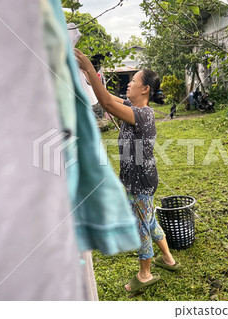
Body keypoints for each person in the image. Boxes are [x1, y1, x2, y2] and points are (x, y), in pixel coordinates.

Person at [74, 48, 181, 293]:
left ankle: (145, 274)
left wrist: (90, 67)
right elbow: (109, 97)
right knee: (149, 221)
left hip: (140, 183)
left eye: (133, 81)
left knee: (141, 226)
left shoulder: (142, 114)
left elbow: (106, 102)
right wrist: (90, 78)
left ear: (145, 89)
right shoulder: (134, 109)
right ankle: (168, 259)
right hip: (142, 180)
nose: (129, 84)